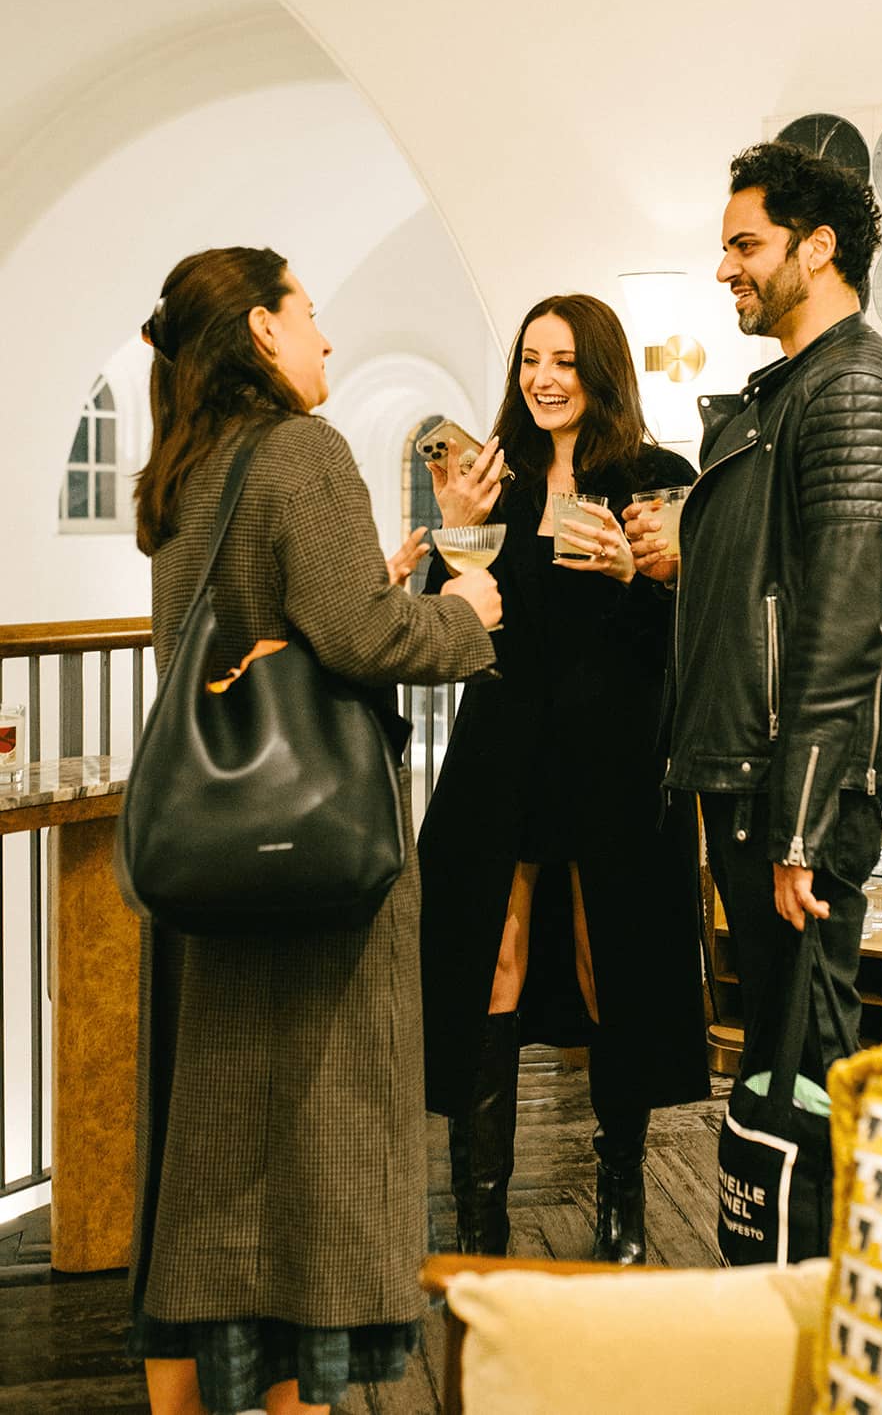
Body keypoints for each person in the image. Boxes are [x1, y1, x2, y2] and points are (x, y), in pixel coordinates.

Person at [128, 246, 501, 1415]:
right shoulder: (303, 451)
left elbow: (271, 623)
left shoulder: (184, 468)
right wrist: (464, 613)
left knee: (214, 1168)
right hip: (315, 868)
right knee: (318, 1171)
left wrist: (367, 587)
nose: (327, 336)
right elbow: (362, 639)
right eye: (309, 312)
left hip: (216, 854)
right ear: (260, 329)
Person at [627, 142, 882, 1105]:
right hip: (756, 775)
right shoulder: (792, 386)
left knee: (810, 1059)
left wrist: (800, 829)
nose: (725, 267)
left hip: (793, 788)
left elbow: (846, 627)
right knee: (778, 1051)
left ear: (818, 247)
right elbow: (782, 574)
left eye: (746, 244)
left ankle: (829, 1212)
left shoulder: (854, 390)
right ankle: (788, 1208)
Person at [417, 293, 709, 1266]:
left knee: (606, 960)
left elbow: (685, 641)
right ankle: (481, 1219)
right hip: (499, 754)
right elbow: (450, 625)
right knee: (488, 966)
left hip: (612, 760)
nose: (543, 379)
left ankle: (621, 1192)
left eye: (565, 362)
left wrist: (639, 575)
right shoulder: (493, 483)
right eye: (531, 360)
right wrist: (454, 528)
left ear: (601, 372)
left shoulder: (657, 481)